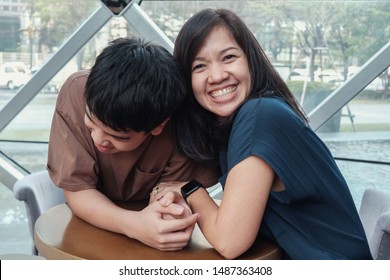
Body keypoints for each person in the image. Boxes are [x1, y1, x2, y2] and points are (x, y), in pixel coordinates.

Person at [157, 8, 372, 259]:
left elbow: (230, 241)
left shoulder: (260, 115)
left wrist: (189, 189)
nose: (216, 76)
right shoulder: (244, 119)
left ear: (250, 59)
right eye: (199, 66)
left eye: (228, 58)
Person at [47, 37, 218, 251]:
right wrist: (134, 225)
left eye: (117, 137)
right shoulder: (76, 92)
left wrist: (171, 210)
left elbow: (171, 192)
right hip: (85, 228)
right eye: (91, 123)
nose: (98, 139)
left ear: (159, 126)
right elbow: (78, 189)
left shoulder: (183, 123)